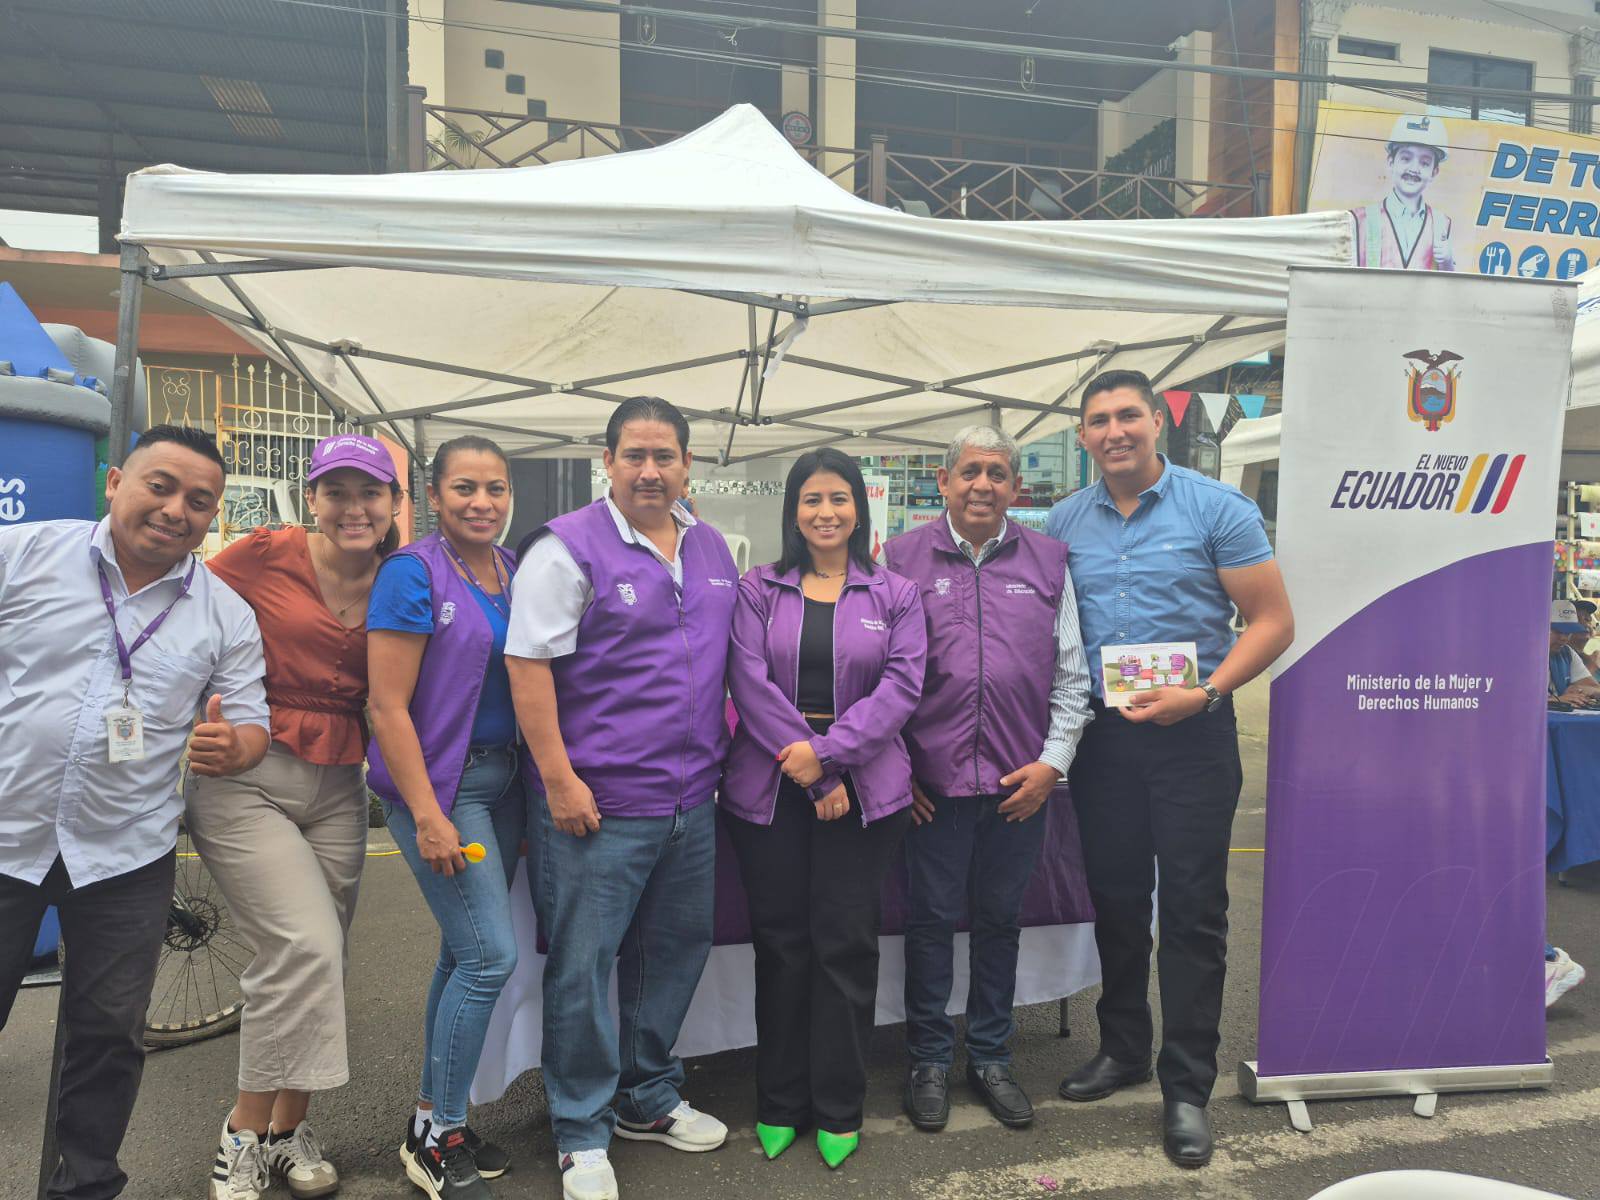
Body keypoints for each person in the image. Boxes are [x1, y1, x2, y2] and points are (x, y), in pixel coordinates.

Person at [0, 425, 270, 1200]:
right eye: (161, 485)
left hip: (124, 855)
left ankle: (85, 1187)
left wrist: (234, 746)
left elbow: (252, 722)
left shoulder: (224, 613)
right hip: (6, 835)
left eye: (199, 500)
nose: (177, 510)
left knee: (109, 1036)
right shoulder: (24, 554)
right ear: (116, 482)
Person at [1046, 370, 1293, 1168]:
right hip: (1104, 741)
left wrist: (1207, 693)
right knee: (1116, 904)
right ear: (1083, 436)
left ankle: (1186, 1086)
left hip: (1194, 737)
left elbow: (1273, 621)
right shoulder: (1062, 522)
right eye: (1098, 420)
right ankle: (1123, 1050)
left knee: (1192, 913)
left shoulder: (1218, 508)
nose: (1114, 431)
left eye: (1128, 415)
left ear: (1158, 421)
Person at [506, 396, 735, 1200]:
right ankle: (580, 1129)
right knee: (583, 967)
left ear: (688, 464)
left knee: (672, 953)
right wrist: (559, 780)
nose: (649, 470)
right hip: (596, 805)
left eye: (664, 455)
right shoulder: (565, 548)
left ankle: (647, 1095)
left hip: (690, 799)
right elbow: (527, 665)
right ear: (606, 461)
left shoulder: (710, 545)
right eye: (633, 455)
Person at [188, 434, 403, 1200]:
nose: (354, 508)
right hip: (247, 773)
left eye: (370, 492)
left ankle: (288, 1131)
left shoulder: (400, 575)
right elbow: (181, 609)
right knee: (302, 945)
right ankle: (242, 1133)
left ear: (393, 503)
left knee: (323, 956)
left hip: (340, 782)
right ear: (312, 497)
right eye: (336, 492)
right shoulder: (262, 553)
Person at [883, 425, 1092, 1136]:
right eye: (969, 471)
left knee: (1000, 924)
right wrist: (897, 767)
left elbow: (1072, 675)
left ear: (1015, 488)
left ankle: (992, 1058)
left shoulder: (1049, 562)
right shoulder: (900, 558)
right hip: (931, 789)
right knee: (930, 924)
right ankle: (928, 1060)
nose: (982, 485)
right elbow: (876, 675)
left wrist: (1052, 764)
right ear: (943, 482)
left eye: (997, 474)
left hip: (1018, 787)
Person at [722, 448, 927, 1168]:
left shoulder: (896, 593)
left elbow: (902, 688)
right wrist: (812, 772)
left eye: (839, 498)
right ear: (793, 510)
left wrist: (831, 756)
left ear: (859, 509)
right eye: (811, 499)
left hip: (865, 793)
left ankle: (840, 1105)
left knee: (845, 946)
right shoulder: (758, 588)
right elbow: (747, 682)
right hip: (771, 787)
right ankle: (780, 1102)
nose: (826, 512)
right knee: (782, 946)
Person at [367, 435, 520, 1200]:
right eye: (465, 487)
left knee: (462, 956)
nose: (482, 502)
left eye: (495, 488)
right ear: (433, 494)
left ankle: (430, 1119)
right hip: (445, 789)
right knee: (491, 957)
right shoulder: (411, 572)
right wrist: (427, 814)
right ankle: (439, 1137)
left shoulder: (511, 568)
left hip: (505, 783)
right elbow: (386, 705)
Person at [1351, 113, 1456, 271]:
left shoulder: (1442, 223)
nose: (1414, 169)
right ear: (1391, 162)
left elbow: (1448, 282)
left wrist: (1447, 261)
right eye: (1406, 159)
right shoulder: (1359, 218)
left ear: (1434, 172)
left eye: (1425, 163)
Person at [1549, 599, 1600, 704]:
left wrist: (1581, 689)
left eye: (1568, 632)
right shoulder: (1523, 654)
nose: (1563, 638)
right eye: (1557, 631)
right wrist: (1556, 700)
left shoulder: (1567, 653)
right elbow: (1516, 697)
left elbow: (1595, 688)